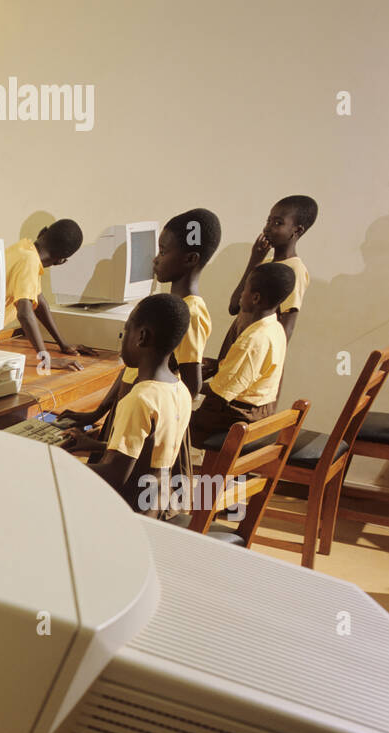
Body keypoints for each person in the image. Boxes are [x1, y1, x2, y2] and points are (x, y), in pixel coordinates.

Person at [60, 207, 221, 438]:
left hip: (145, 427)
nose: (155, 259)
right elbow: (131, 368)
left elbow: (191, 385)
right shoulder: (167, 304)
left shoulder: (191, 312)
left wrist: (158, 432)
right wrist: (96, 414)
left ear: (190, 259)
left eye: (163, 252)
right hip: (129, 415)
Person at [74, 294, 191, 514]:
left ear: (142, 337)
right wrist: (90, 444)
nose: (123, 338)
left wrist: (61, 467)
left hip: (128, 514)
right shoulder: (179, 389)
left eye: (126, 330)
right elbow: (147, 454)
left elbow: (115, 476)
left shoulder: (139, 399)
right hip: (155, 505)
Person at [190, 262, 293, 450]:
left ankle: (171, 476)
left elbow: (220, 392)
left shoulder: (253, 340)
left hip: (236, 418)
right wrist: (221, 365)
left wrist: (183, 383)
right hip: (261, 411)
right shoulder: (275, 328)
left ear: (255, 298)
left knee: (168, 421)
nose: (241, 294)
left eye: (244, 289)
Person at [0, 219, 88, 369]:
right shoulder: (30, 261)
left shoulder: (25, 248)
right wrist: (46, 360)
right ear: (61, 261)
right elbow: (24, 313)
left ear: (43, 232)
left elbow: (39, 301)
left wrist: (63, 344)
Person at [221, 195, 317, 347]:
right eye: (268, 221)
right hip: (237, 349)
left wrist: (270, 361)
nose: (267, 228)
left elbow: (287, 325)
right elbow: (234, 307)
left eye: (278, 223)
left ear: (297, 231)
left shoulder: (294, 269)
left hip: (255, 354)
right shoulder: (263, 263)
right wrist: (254, 261)